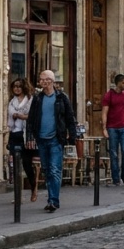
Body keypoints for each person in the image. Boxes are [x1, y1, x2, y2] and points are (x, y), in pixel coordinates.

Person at [26, 70, 77, 213]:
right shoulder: (37, 98)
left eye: (44, 79)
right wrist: (30, 137)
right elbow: (31, 119)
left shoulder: (61, 98)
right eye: (41, 80)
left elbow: (70, 117)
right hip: (41, 139)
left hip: (56, 138)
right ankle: (50, 199)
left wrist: (72, 137)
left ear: (51, 81)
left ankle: (54, 201)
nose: (42, 82)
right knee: (47, 170)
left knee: (55, 170)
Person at [101, 73, 124, 187]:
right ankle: (116, 178)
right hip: (112, 128)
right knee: (113, 153)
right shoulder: (109, 95)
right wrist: (104, 128)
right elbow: (104, 112)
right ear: (118, 83)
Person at [7, 78, 35, 198]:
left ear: (24, 87)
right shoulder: (11, 102)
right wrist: (21, 115)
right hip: (14, 134)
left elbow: (31, 116)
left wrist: (21, 116)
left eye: (19, 86)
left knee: (27, 164)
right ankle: (17, 194)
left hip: (26, 135)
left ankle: (34, 187)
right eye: (14, 86)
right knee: (14, 165)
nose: (17, 89)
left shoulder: (30, 100)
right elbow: (12, 115)